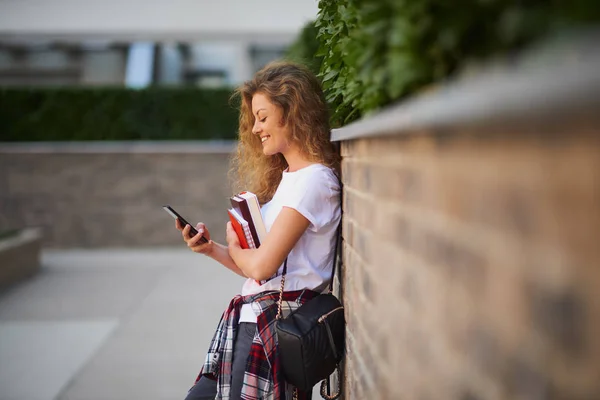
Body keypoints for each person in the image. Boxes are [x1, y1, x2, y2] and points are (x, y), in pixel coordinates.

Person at [176, 61, 341, 400]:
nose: (255, 128)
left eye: (263, 117)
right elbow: (260, 273)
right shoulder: (289, 179)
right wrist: (212, 249)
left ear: (292, 113)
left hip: (273, 328)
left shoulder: (314, 181)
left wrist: (235, 247)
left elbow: (262, 267)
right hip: (251, 321)